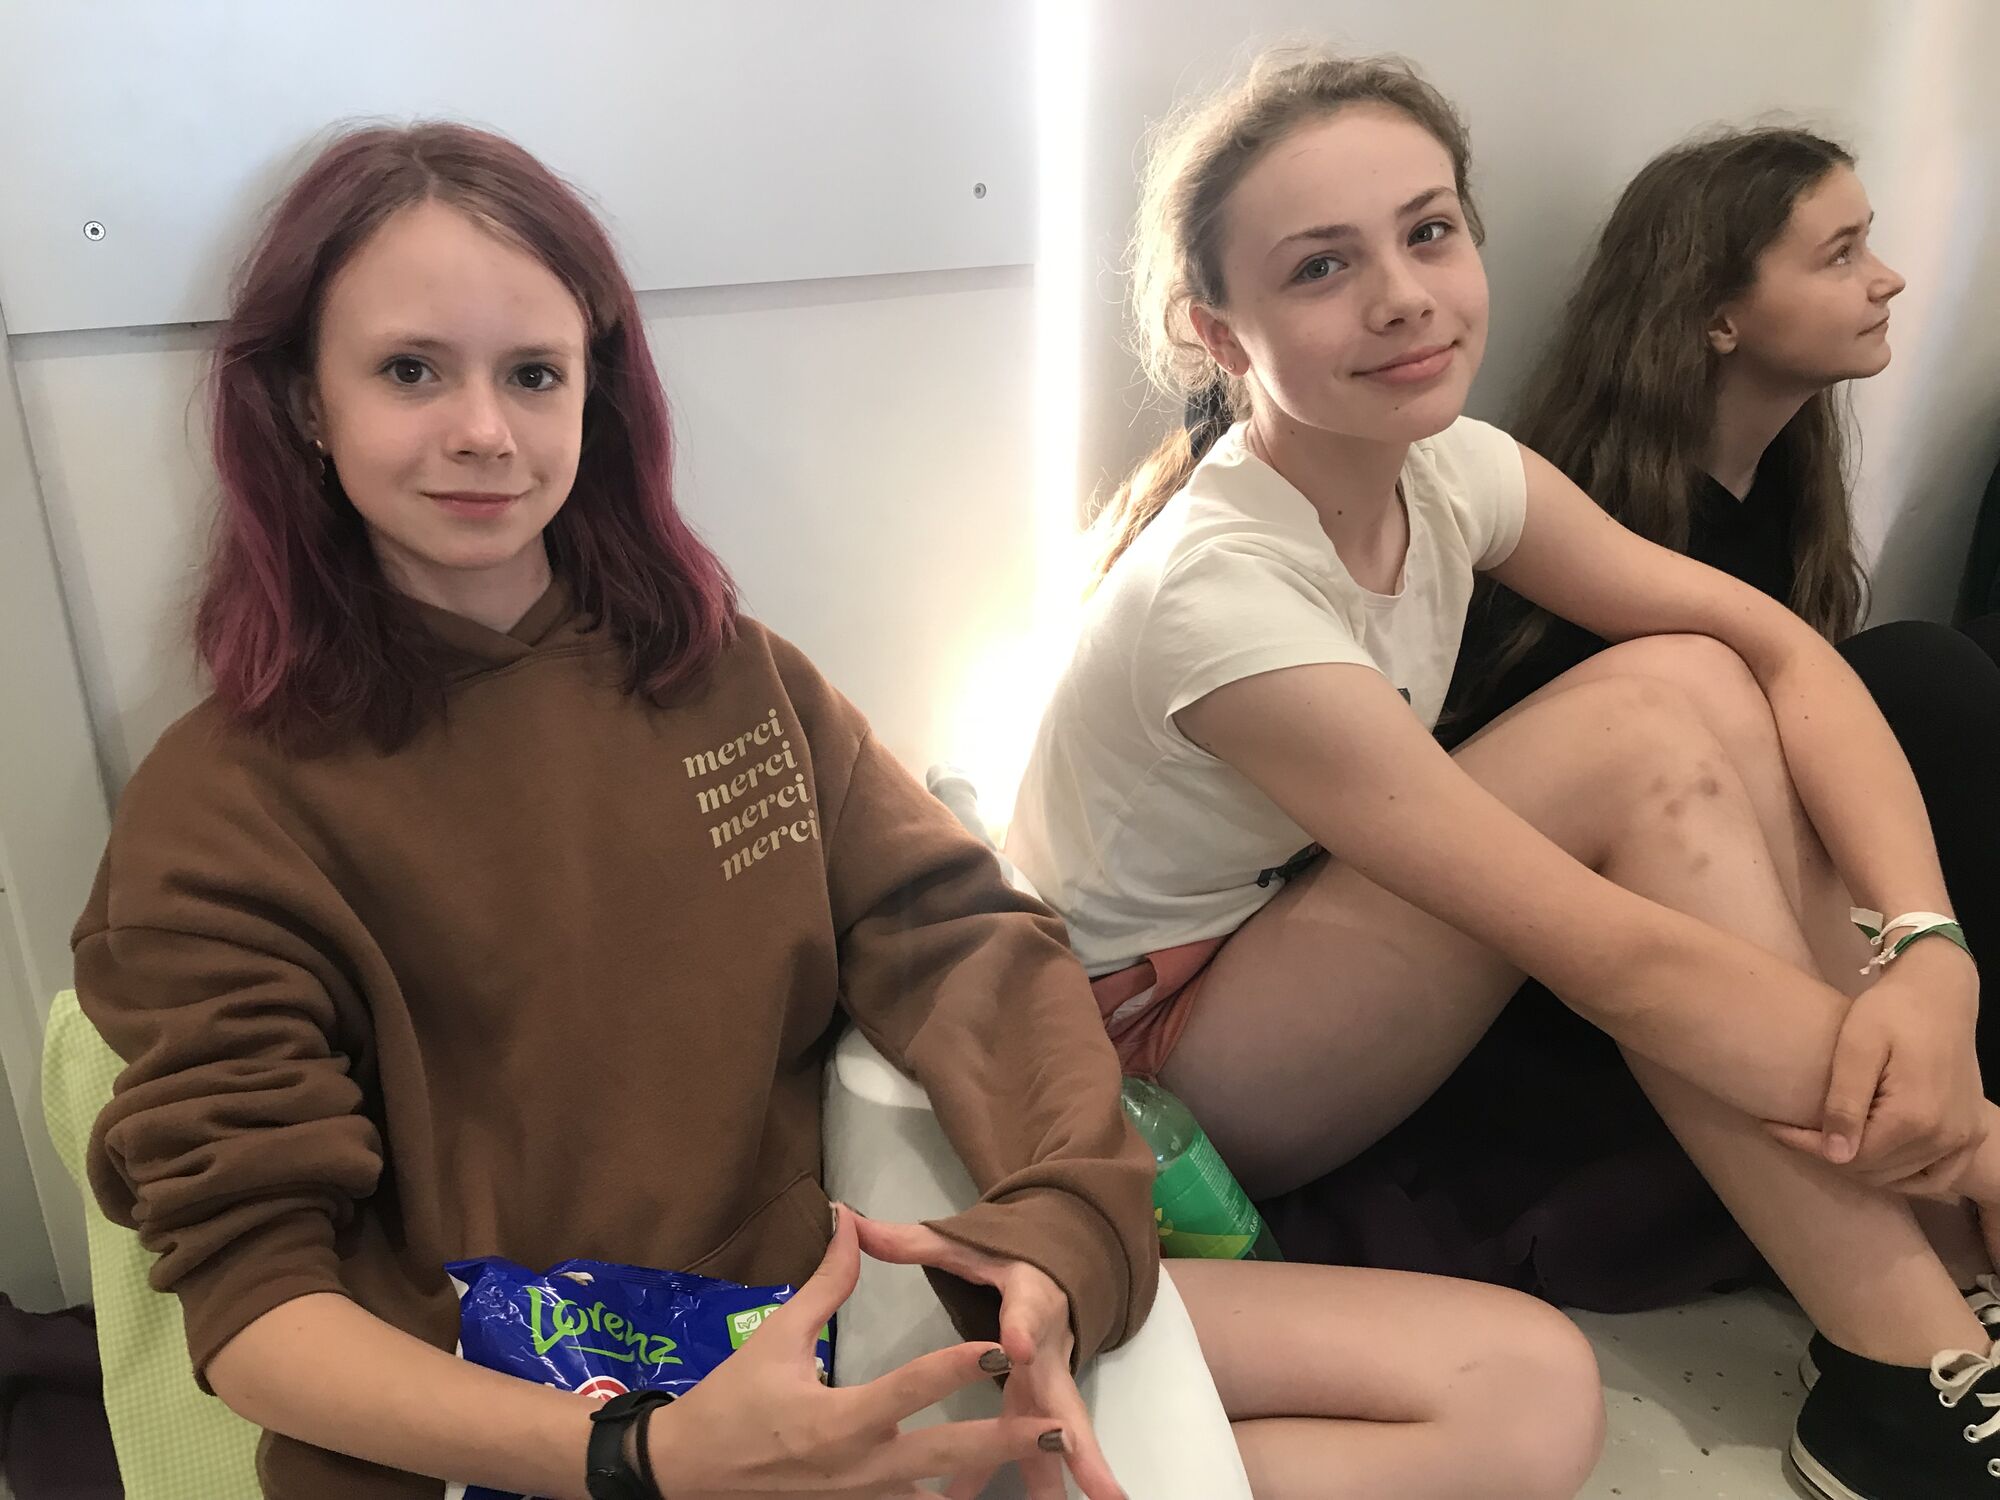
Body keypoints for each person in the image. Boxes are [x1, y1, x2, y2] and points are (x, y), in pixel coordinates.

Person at [76, 121, 1604, 1500]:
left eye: (532, 373)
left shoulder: (721, 674)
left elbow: (968, 937)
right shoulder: (225, 810)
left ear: (596, 389)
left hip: (842, 1328)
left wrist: (1059, 1230)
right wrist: (640, 1455)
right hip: (530, 1439)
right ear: (305, 402)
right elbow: (257, 1316)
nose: (484, 430)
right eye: (412, 371)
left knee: (1526, 1387)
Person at [1006, 46, 2000, 1500]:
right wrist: (1965, 1128)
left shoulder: (1452, 468)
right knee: (1643, 732)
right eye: (1322, 267)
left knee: (1696, 674)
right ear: (1218, 333)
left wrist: (1932, 958)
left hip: (1276, 966)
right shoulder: (1219, 597)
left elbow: (1785, 650)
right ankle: (1909, 1368)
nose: (1402, 294)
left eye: (1428, 231)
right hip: (1151, 1073)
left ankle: (1945, 1294)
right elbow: (1610, 956)